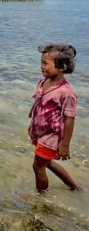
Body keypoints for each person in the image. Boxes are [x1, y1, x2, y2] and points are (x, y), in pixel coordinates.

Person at [29, 44, 80, 192]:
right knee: (47, 163)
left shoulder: (66, 92)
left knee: (38, 167)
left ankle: (41, 198)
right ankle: (74, 187)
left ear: (62, 67)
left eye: (45, 63)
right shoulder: (43, 81)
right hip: (41, 131)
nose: (41, 67)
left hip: (52, 136)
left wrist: (65, 145)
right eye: (41, 62)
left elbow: (70, 118)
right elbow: (38, 105)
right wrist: (32, 125)